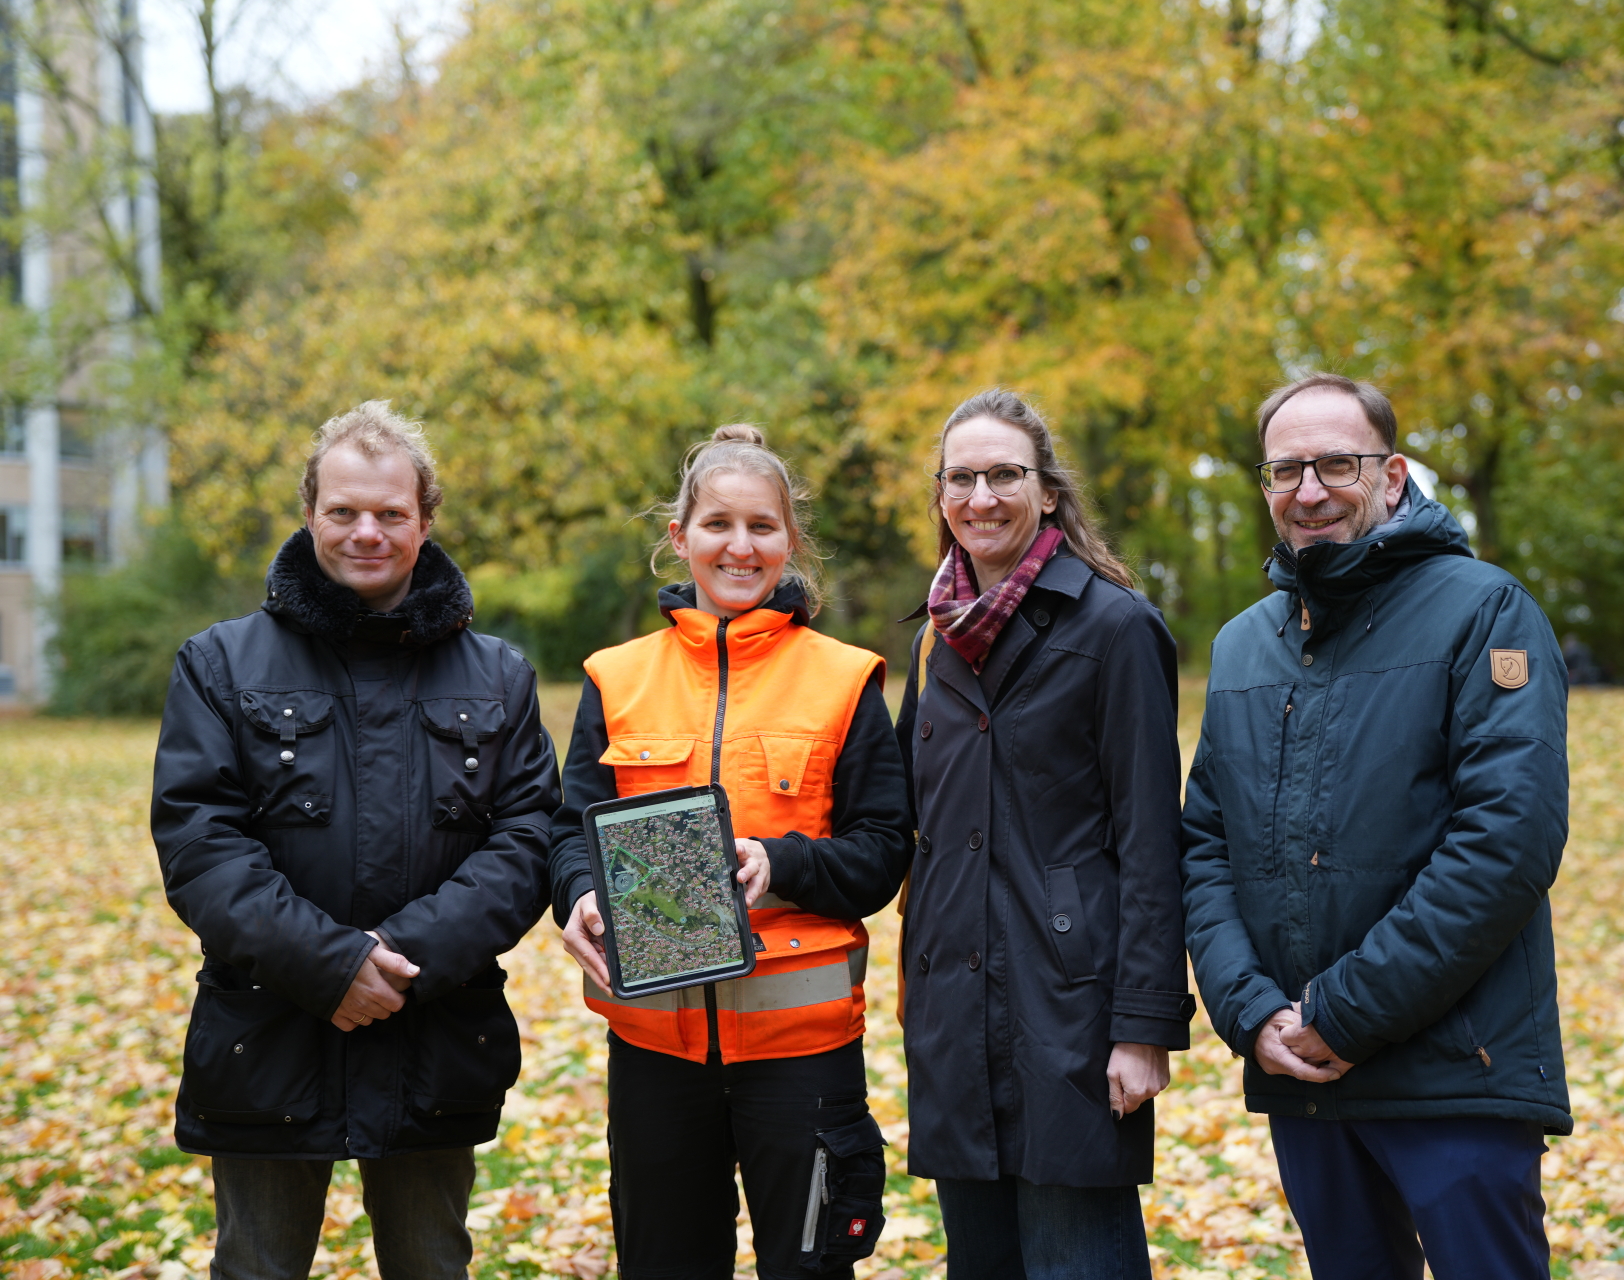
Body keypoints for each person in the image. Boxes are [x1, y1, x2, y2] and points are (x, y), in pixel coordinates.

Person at [151, 402, 561, 1280]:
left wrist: (401, 959)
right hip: (269, 1030)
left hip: (434, 1032)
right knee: (256, 1267)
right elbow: (200, 843)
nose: (366, 532)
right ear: (309, 513)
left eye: (390, 513)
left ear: (425, 521)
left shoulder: (500, 676)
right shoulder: (218, 663)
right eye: (344, 511)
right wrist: (330, 965)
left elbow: (528, 842)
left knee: (432, 1265)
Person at [1180, 372, 1572, 1280]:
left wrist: (1342, 1015)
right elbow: (1204, 845)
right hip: (1302, 1076)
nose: (1309, 490)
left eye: (1335, 464)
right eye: (1286, 471)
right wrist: (1252, 1014)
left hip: (1453, 1071)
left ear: (1392, 476)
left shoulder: (1485, 610)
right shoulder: (1243, 645)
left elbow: (1506, 842)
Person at [549, 424, 914, 1280]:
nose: (739, 547)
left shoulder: (845, 677)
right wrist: (578, 898)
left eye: (761, 527)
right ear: (681, 538)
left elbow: (882, 851)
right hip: (653, 1056)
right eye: (717, 524)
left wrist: (780, 864)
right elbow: (572, 827)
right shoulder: (615, 676)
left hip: (803, 1056)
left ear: (790, 540)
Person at [893, 389, 1193, 1280]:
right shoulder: (935, 639)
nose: (980, 497)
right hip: (952, 1004)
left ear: (1048, 491)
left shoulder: (1116, 629)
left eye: (1004, 475)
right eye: (961, 478)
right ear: (941, 495)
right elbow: (914, 824)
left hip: (1072, 1006)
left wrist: (1144, 1028)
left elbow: (1150, 842)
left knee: (1078, 1264)